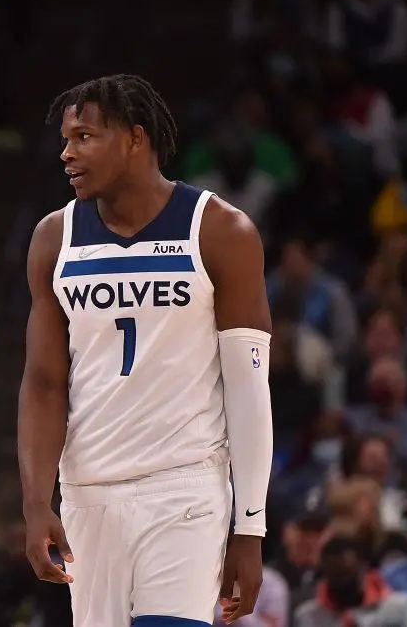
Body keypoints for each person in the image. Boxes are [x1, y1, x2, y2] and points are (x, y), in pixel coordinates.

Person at [18, 75, 274, 627]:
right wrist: (37, 500)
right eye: (65, 139)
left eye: (84, 136)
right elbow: (42, 383)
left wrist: (250, 528)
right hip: (89, 492)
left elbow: (249, 387)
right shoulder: (53, 238)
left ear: (136, 138)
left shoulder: (220, 230)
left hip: (186, 486)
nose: (67, 152)